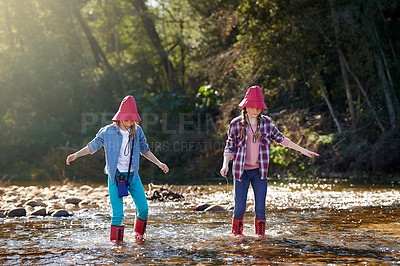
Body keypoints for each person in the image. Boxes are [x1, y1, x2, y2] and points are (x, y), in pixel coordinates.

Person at [66, 95, 169, 243]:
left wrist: (159, 163)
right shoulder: (107, 131)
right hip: (115, 177)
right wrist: (76, 154)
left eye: (132, 120)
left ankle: (138, 237)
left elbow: (145, 150)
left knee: (144, 209)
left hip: (133, 177)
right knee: (118, 215)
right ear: (119, 118)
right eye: (126, 120)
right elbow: (92, 146)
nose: (129, 123)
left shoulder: (137, 131)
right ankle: (116, 246)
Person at [220, 85, 319, 239]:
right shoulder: (236, 124)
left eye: (259, 107)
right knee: (239, 209)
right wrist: (225, 164)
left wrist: (302, 150)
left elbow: (282, 139)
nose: (256, 110)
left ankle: (260, 240)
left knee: (260, 208)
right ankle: (237, 239)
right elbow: (229, 146)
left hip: (260, 172)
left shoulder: (266, 123)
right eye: (253, 106)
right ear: (245, 105)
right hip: (241, 173)